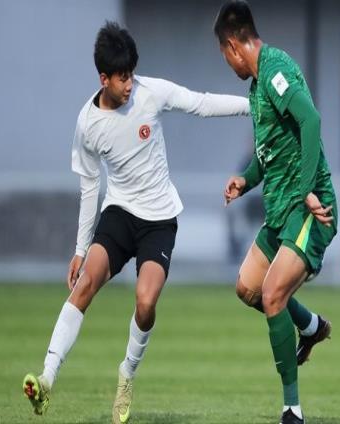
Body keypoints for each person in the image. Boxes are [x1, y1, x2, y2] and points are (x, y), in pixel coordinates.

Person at [22, 21, 250, 424]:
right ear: (103, 79)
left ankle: (126, 373)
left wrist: (253, 106)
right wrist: (80, 250)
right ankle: (47, 378)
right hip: (120, 214)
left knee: (145, 303)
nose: (129, 84)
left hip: (159, 220)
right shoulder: (87, 124)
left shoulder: (150, 93)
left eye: (131, 74)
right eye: (122, 77)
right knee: (84, 284)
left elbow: (200, 103)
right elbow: (90, 187)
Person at [214, 0, 338, 424]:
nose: (227, 63)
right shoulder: (256, 87)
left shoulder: (275, 70)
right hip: (282, 212)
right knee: (247, 288)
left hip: (309, 209)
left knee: (272, 296)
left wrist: (306, 192)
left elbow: (311, 121)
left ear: (233, 45)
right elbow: (269, 153)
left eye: (223, 54)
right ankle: (311, 326)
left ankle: (291, 410)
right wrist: (246, 179)